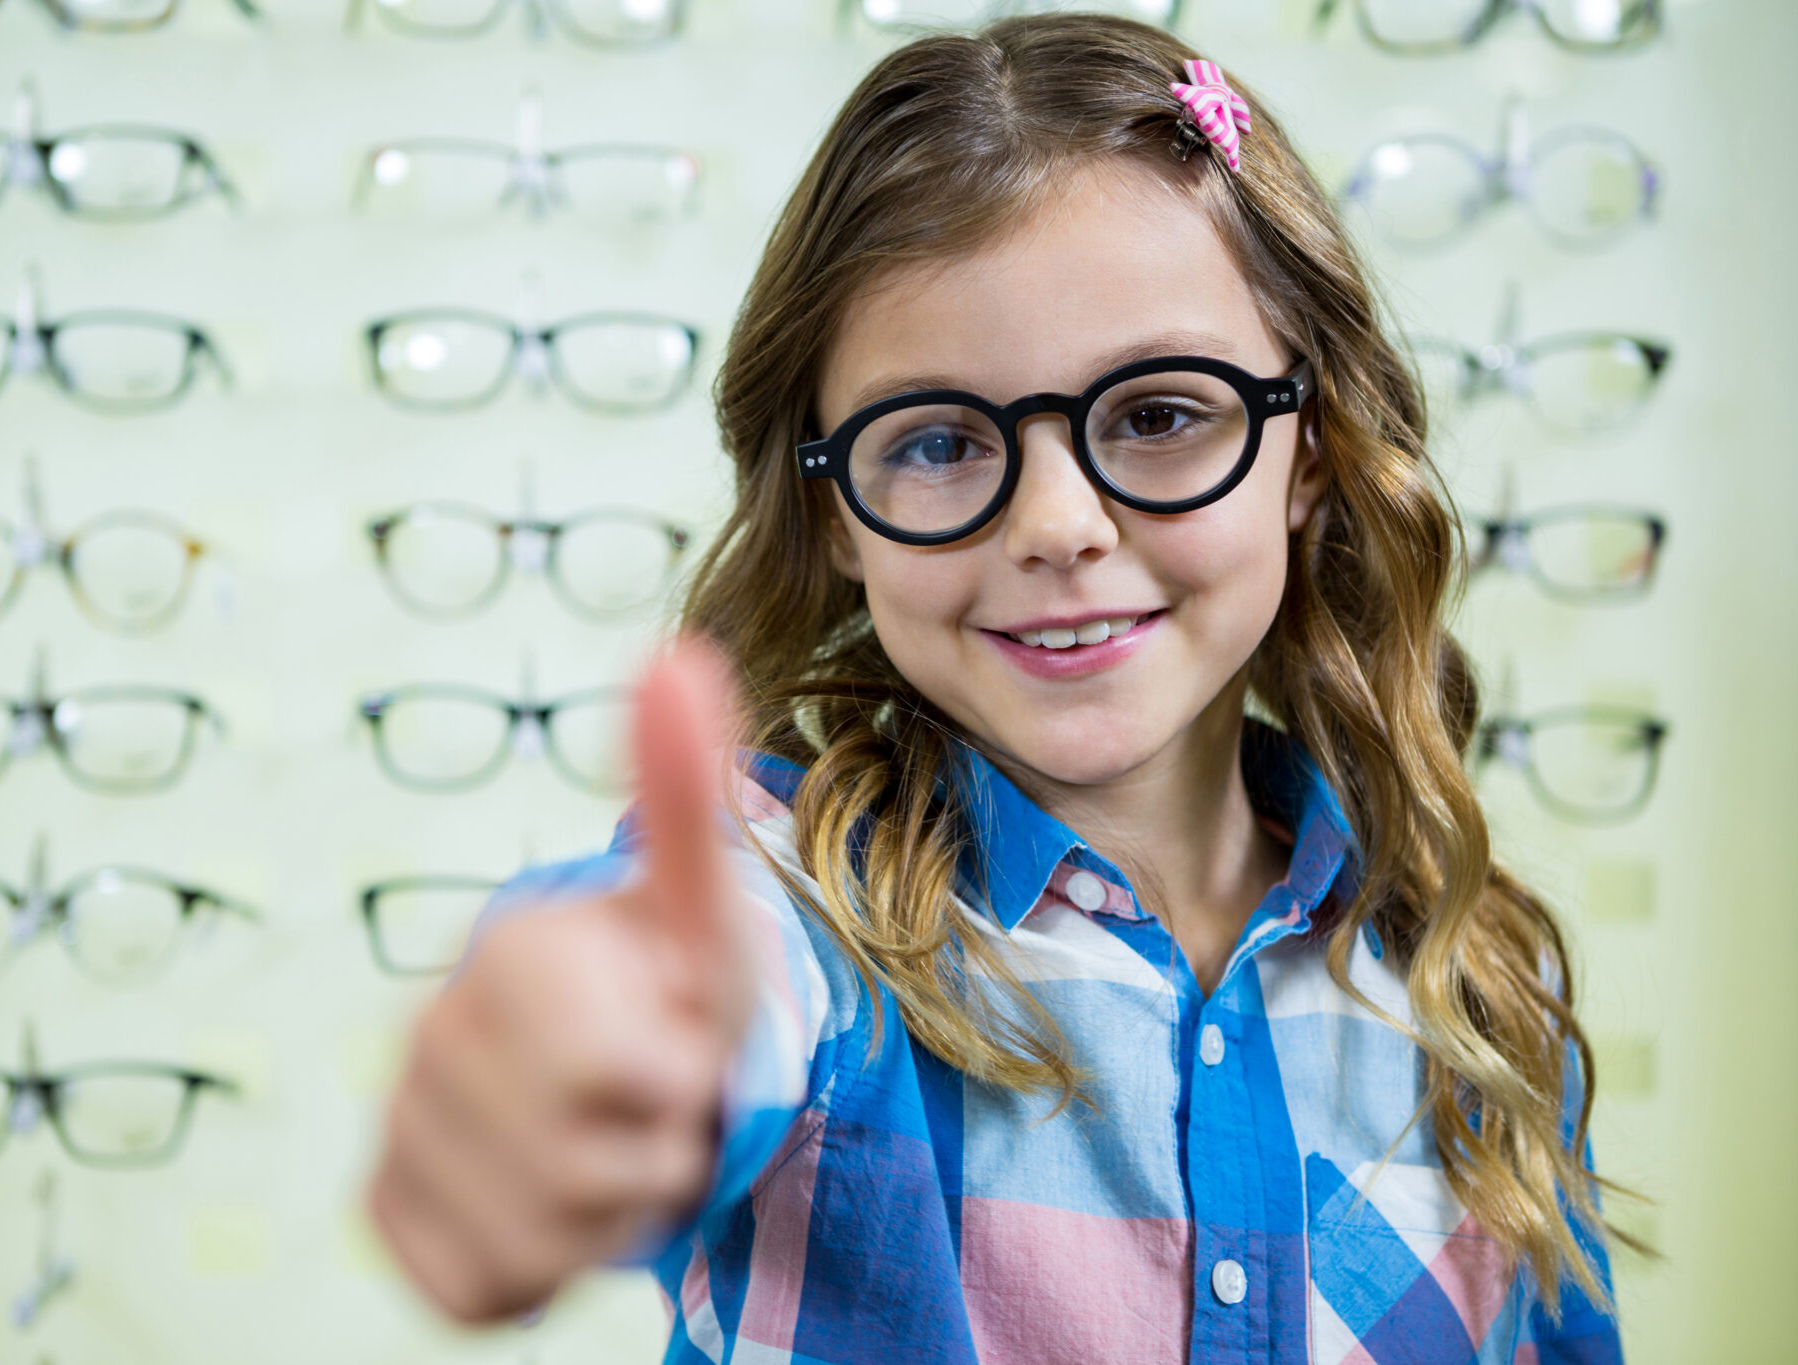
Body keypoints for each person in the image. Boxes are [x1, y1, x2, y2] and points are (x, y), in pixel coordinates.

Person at [366, 14, 1633, 1363]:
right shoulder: (800, 904)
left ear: (1309, 449)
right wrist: (605, 1046)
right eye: (939, 440)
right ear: (836, 512)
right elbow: (695, 979)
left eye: (1157, 412)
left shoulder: (1478, 984)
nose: (1056, 524)